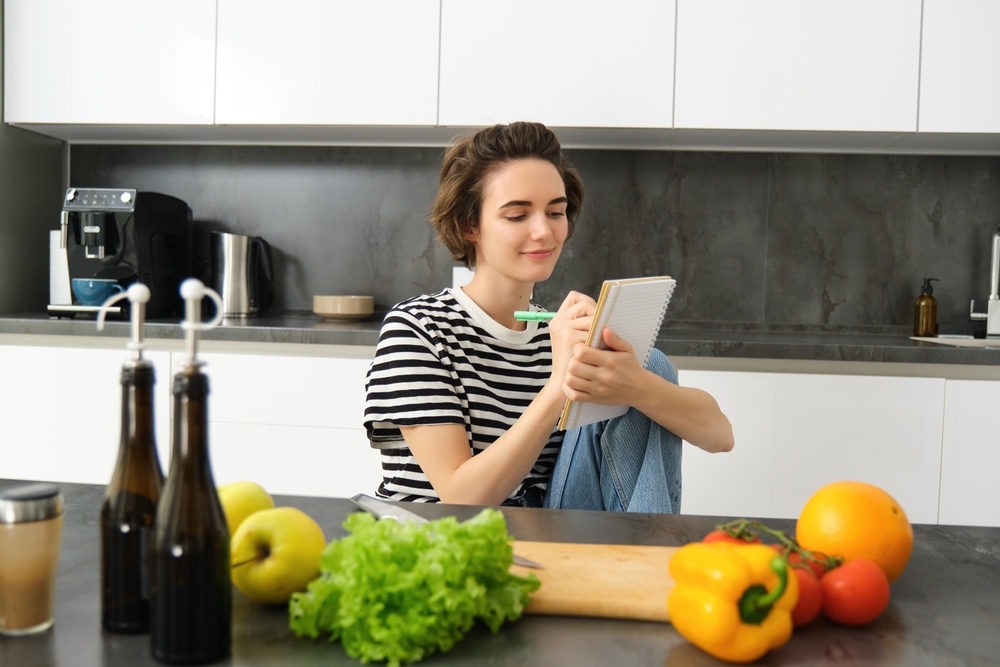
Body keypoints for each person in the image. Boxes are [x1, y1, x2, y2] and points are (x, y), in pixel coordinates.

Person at [364, 122, 733, 512]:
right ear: (468, 225)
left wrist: (632, 381)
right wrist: (561, 383)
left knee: (647, 366)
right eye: (517, 215)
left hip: (548, 532)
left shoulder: (557, 333)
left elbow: (720, 436)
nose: (544, 231)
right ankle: (642, 562)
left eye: (555, 211)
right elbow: (461, 498)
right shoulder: (418, 330)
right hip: (450, 538)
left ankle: (640, 558)